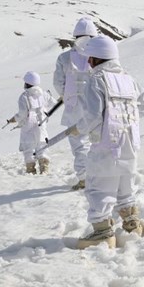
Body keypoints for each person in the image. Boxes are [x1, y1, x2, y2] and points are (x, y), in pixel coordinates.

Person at [70, 35, 144, 249]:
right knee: (126, 187)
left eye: (90, 58)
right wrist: (125, 121)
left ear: (98, 58)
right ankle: (132, 224)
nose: (88, 62)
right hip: (130, 144)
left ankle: (102, 233)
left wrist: (80, 128)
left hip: (106, 146)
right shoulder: (129, 79)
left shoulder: (96, 81)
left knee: (100, 189)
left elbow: (93, 117)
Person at [54, 17, 98, 190]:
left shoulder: (64, 58)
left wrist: (65, 95)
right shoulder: (99, 56)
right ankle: (100, 175)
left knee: (79, 144)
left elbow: (58, 83)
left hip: (74, 108)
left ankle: (84, 178)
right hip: (96, 106)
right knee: (98, 141)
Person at [7, 71, 53, 174]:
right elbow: (53, 103)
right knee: (41, 146)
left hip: (28, 126)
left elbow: (22, 114)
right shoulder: (44, 94)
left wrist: (14, 119)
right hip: (41, 124)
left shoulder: (24, 96)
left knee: (28, 148)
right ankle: (44, 167)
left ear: (27, 83)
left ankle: (31, 169)